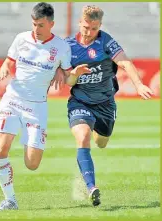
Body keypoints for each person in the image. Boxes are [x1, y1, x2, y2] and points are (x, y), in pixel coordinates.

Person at [0, 2, 90, 211]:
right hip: (12, 100)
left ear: (51, 24)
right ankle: (10, 200)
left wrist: (75, 74)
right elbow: (9, 61)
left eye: (41, 25)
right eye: (34, 24)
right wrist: (4, 68)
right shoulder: (21, 39)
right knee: (0, 150)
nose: (36, 30)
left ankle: (26, 139)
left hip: (36, 108)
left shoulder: (61, 47)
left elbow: (69, 79)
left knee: (32, 164)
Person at [60, 5, 154, 207]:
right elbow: (68, 81)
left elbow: (125, 63)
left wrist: (138, 85)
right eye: (86, 27)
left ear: (99, 26)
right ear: (80, 23)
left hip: (105, 104)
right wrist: (75, 74)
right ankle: (91, 187)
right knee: (83, 136)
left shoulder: (105, 41)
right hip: (80, 101)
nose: (89, 32)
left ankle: (90, 148)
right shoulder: (67, 45)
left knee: (101, 142)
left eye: (93, 28)